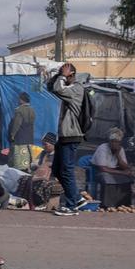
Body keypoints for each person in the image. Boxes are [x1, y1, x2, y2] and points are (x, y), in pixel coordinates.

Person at [48, 63, 85, 216]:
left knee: (67, 170)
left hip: (71, 135)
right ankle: (77, 198)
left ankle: (71, 205)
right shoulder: (67, 87)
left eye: (66, 74)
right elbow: (51, 87)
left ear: (72, 74)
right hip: (63, 135)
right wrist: (59, 75)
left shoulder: (76, 88)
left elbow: (58, 89)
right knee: (57, 169)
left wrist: (63, 76)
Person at [91, 127, 133, 209]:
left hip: (113, 170)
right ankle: (107, 204)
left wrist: (118, 155)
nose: (114, 144)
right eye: (112, 142)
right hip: (99, 171)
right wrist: (122, 173)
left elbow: (125, 167)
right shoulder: (103, 148)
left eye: (117, 142)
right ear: (109, 141)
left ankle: (123, 203)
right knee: (106, 177)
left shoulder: (120, 149)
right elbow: (103, 168)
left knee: (128, 177)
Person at [8, 92, 36, 171]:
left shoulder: (19, 110)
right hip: (29, 136)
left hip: (20, 137)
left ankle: (20, 170)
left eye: (19, 99)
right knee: (27, 154)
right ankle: (28, 168)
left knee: (19, 156)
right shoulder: (32, 110)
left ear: (21, 100)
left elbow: (17, 124)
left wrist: (12, 134)